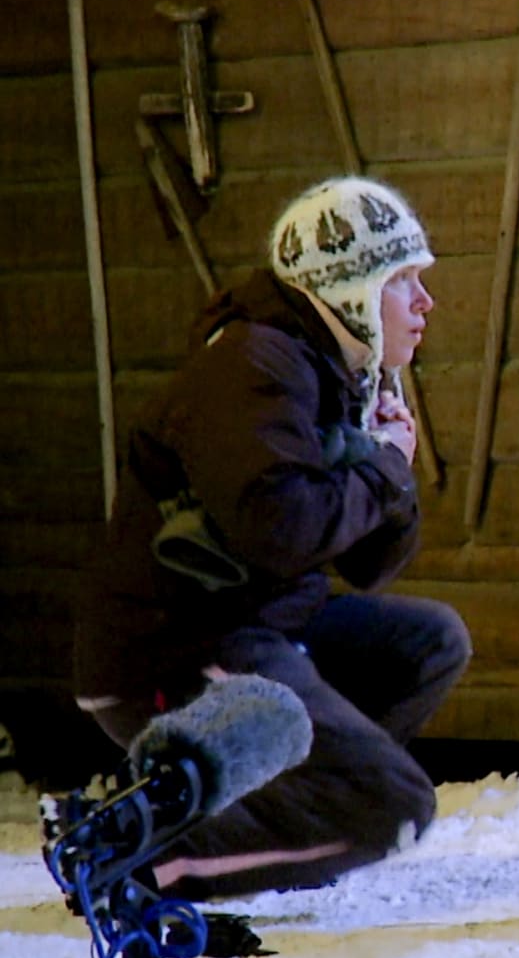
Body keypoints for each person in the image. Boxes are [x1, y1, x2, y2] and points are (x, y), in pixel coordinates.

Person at [72, 176, 470, 900]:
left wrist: (393, 473)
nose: (424, 303)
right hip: (176, 647)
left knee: (431, 642)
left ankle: (291, 818)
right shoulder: (255, 365)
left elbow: (369, 563)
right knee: (394, 807)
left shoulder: (335, 370)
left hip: (260, 623)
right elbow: (282, 532)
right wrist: (381, 469)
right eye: (402, 280)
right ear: (349, 288)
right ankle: (132, 858)